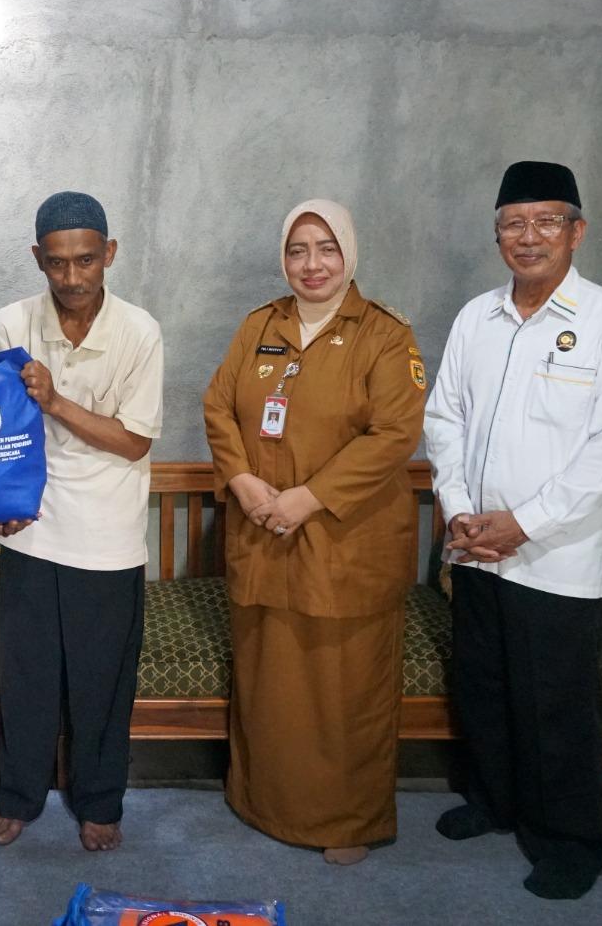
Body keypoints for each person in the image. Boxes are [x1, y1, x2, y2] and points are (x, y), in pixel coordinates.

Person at [424, 161, 602, 900]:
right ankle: (494, 802)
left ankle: (570, 842)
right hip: (476, 550)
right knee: (485, 687)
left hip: (559, 560)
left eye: (546, 221)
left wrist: (523, 525)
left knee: (558, 706)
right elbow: (445, 418)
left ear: (575, 232)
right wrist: (461, 507)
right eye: (513, 224)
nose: (529, 237)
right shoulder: (477, 318)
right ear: (498, 236)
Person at [202, 199, 426, 866]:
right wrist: (241, 479)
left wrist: (311, 497)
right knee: (269, 684)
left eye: (327, 248)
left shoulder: (384, 334)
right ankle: (260, 802)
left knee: (342, 690)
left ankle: (347, 822)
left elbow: (394, 435)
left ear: (348, 254)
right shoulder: (260, 326)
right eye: (298, 250)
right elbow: (219, 405)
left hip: (343, 543)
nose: (312, 264)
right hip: (263, 536)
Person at [0, 192, 164, 853]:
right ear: (38, 258)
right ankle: (19, 797)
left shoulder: (139, 331)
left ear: (108, 253)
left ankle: (99, 802)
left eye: (86, 260)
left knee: (101, 684)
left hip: (108, 536)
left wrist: (56, 401)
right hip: (31, 529)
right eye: (57, 262)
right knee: (26, 677)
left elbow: (134, 441)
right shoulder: (11, 322)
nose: (72, 276)